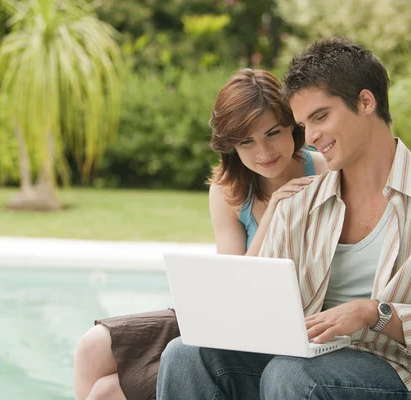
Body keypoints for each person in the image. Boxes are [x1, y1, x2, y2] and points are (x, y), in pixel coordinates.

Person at [156, 37, 411, 400]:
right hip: (304, 361)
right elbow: (256, 306)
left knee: (293, 375)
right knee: (186, 355)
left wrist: (372, 313)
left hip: (398, 373)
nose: (310, 136)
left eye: (320, 116)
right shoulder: (300, 202)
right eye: (303, 123)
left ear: (365, 102)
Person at [72, 68, 327, 400]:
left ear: (293, 125)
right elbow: (235, 287)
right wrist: (272, 215)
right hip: (230, 318)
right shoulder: (228, 190)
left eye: (273, 132)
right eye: (246, 141)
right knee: (92, 346)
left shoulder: (323, 171)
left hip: (279, 329)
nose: (263, 152)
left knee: (106, 392)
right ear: (231, 145)